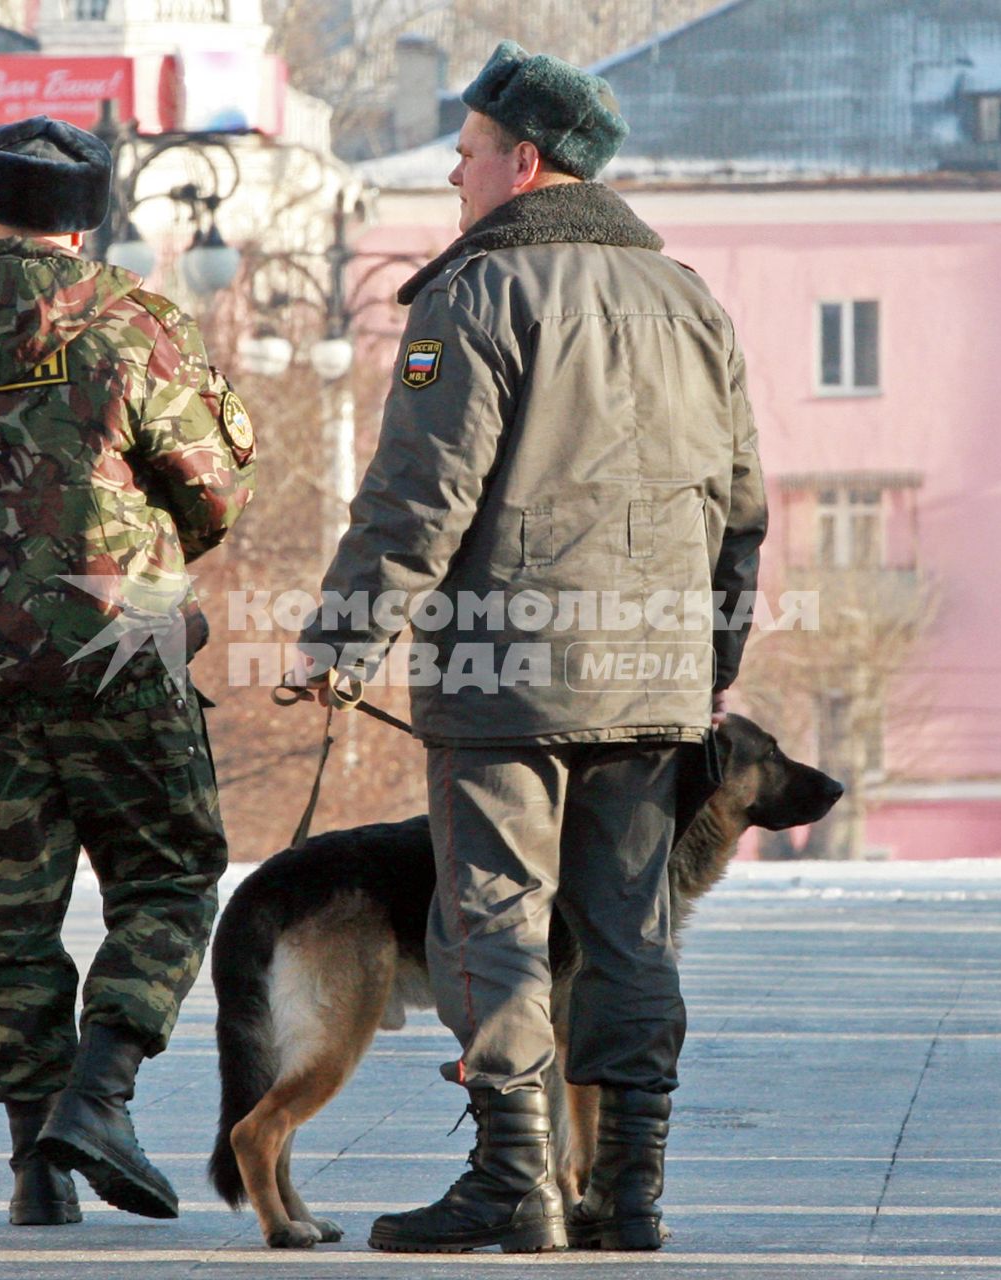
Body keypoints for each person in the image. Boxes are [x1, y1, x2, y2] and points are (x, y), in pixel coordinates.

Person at [290, 42, 767, 1254]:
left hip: (505, 673)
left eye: (466, 153)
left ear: (526, 160)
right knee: (628, 929)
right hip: (655, 678)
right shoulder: (691, 299)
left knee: (494, 917)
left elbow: (418, 492)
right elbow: (741, 503)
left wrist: (342, 638)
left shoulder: (476, 295)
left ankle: (516, 1183)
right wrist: (709, 662)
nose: (454, 173)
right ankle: (632, 1191)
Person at [0, 115, 256, 1228]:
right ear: (88, 224)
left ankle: (36, 1163)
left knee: (16, 911)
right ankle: (102, 1091)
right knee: (171, 876)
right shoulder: (137, 327)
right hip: (127, 658)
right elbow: (216, 493)